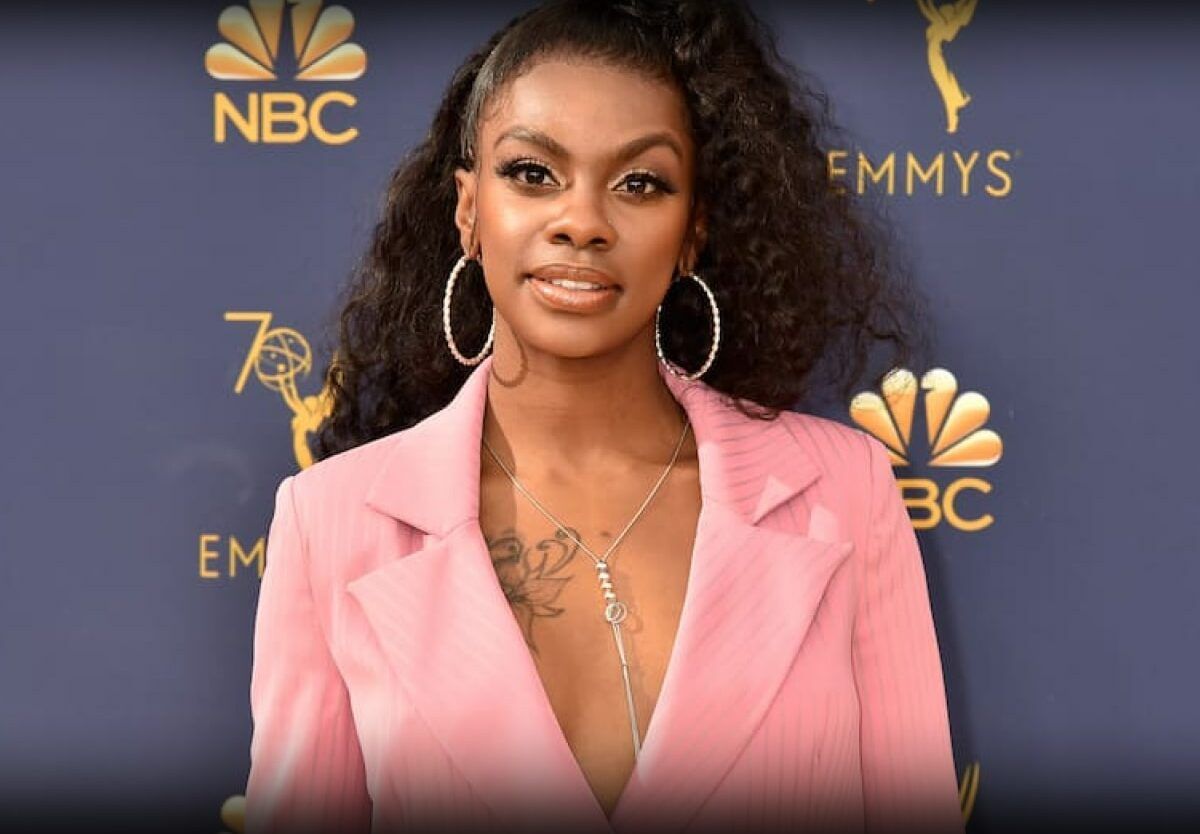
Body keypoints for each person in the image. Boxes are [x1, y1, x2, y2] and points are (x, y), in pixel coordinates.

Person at [244, 1, 964, 833]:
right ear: (468, 210)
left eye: (639, 183)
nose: (582, 222)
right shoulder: (330, 524)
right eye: (533, 173)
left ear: (692, 232)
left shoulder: (844, 492)